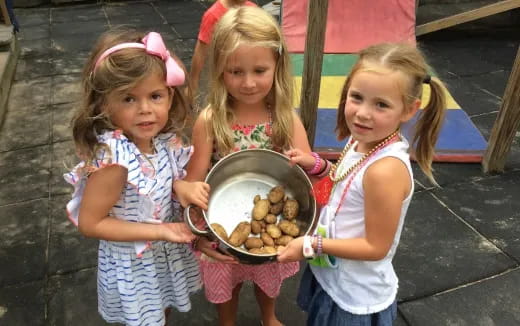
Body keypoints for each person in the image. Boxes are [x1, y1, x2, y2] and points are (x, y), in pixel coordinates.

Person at [278, 42, 447, 325]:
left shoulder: (385, 171)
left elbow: (375, 247)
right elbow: (349, 179)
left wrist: (311, 244)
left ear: (409, 109)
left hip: (355, 295)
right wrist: (317, 165)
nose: (363, 113)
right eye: (357, 97)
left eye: (381, 104)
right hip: (334, 274)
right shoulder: (363, 141)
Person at [63, 29, 210, 326]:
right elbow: (92, 224)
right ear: (105, 104)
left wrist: (179, 186)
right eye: (129, 99)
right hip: (136, 264)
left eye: (155, 96)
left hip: (160, 255)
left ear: (169, 96)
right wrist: (160, 231)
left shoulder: (162, 140)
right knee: (144, 318)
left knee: (161, 308)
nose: (145, 110)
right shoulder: (115, 161)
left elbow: (159, 181)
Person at [185, 7, 313, 326]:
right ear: (220, 72)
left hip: (273, 220)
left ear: (277, 67)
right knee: (226, 283)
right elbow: (193, 182)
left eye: (259, 70)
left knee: (268, 280)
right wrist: (198, 236)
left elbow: (309, 178)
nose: (249, 83)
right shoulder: (211, 121)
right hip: (222, 225)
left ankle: (268, 316)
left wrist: (308, 165)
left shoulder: (285, 119)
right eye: (235, 72)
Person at [189, 0, 256, 101]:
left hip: (248, 67)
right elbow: (200, 52)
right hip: (225, 73)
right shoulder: (213, 15)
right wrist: (193, 83)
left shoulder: (253, 10)